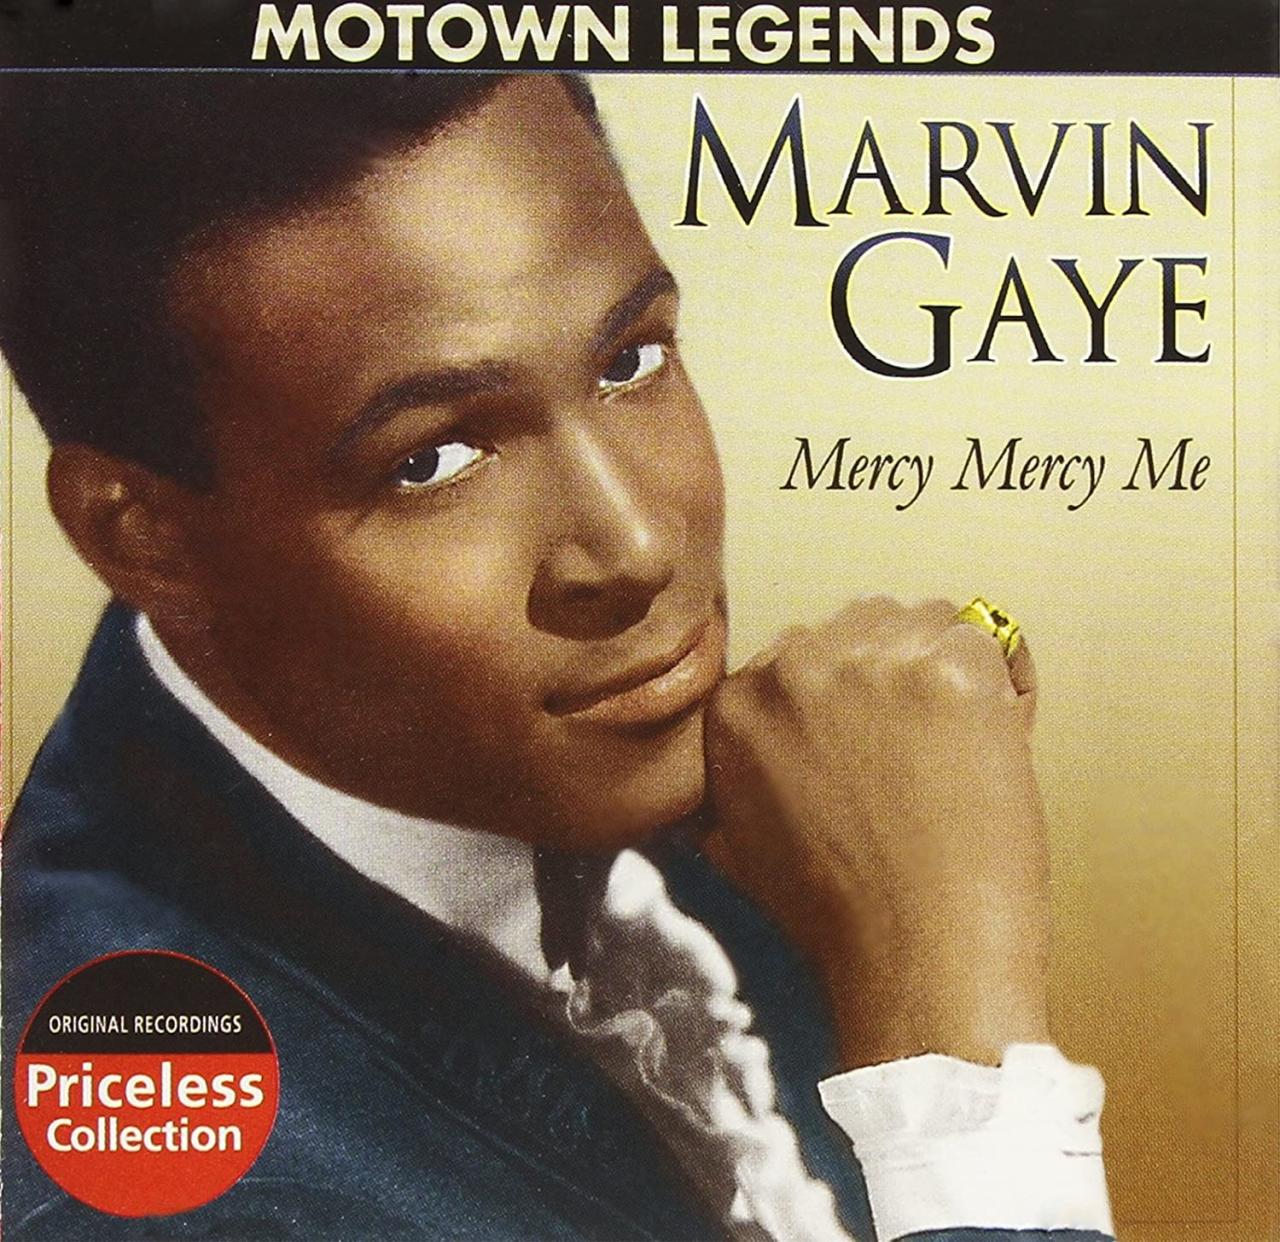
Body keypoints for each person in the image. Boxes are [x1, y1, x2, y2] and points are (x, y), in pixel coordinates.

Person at [0, 71, 1113, 1240]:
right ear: (147, 537)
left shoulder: (627, 800)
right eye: (431, 461)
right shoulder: (158, 1166)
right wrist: (947, 1044)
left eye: (628, 360)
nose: (634, 545)